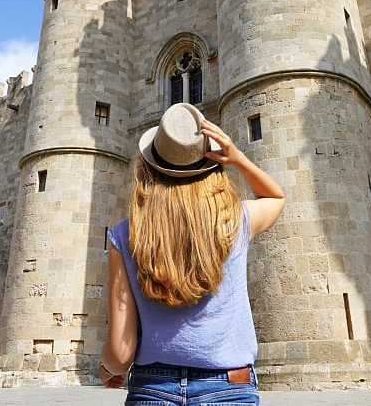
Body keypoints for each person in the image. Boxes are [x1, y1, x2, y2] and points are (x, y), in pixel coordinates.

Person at [99, 103, 286, 404]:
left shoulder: (125, 235)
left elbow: (121, 353)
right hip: (229, 387)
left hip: (152, 387)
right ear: (210, 164)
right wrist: (236, 157)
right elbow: (276, 197)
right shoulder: (236, 221)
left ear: (149, 167)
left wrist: (108, 368)